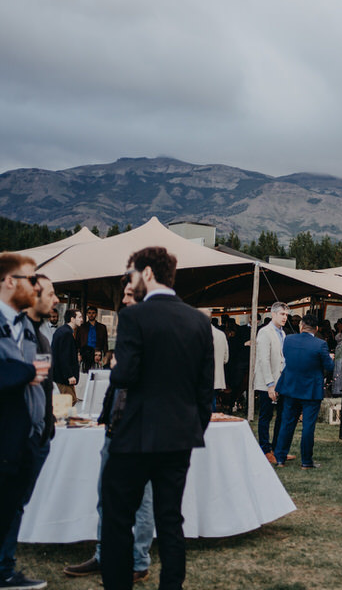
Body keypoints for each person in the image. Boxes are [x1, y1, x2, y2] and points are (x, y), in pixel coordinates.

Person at [100, 246, 214, 590]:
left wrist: (116, 367)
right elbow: (204, 391)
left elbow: (126, 376)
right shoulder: (199, 321)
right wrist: (192, 428)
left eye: (131, 274)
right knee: (170, 520)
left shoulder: (134, 317)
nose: (129, 281)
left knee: (118, 519)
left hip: (134, 435)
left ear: (147, 273)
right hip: (179, 437)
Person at [64, 278, 154, 586]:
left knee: (141, 501)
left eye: (129, 295)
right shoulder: (129, 332)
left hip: (140, 429)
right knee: (106, 497)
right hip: (115, 427)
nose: (124, 301)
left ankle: (139, 561)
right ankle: (104, 555)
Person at [0, 263, 54, 590]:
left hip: (32, 434)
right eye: (32, 281)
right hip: (13, 435)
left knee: (14, 505)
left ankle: (4, 569)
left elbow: (41, 388)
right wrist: (25, 372)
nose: (54, 299)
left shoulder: (31, 332)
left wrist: (45, 427)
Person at [274, 314, 334, 468]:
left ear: (301, 326)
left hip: (291, 386)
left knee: (286, 423)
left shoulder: (288, 340)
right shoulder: (320, 344)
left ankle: (280, 458)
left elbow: (287, 357)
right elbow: (329, 366)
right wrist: (330, 358)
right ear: (316, 329)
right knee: (308, 426)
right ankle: (306, 461)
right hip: (310, 389)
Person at [253, 302, 288, 465]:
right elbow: (263, 359)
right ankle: (265, 450)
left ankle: (277, 449)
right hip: (267, 383)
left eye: (286, 315)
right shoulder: (264, 332)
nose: (285, 317)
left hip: (281, 382)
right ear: (273, 314)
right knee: (266, 416)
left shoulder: (283, 333)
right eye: (282, 314)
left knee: (281, 416)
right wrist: (270, 384)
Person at [200, 309, 229, 412]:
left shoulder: (196, 333)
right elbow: (226, 358)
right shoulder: (221, 335)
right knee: (212, 403)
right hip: (216, 377)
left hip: (200, 377)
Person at [52, 308, 82, 404]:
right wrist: (69, 375)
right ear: (72, 319)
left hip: (60, 376)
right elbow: (64, 357)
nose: (82, 319)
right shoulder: (66, 333)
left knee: (69, 401)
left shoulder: (63, 331)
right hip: (63, 378)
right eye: (79, 317)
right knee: (68, 402)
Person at [76, 305, 107, 371]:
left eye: (93, 313)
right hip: (85, 353)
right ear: (87, 314)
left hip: (97, 353)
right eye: (89, 313)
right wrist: (78, 353)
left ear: (96, 314)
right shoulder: (82, 327)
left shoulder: (102, 327)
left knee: (97, 372)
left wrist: (105, 356)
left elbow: (105, 343)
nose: (91, 315)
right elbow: (77, 341)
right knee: (84, 372)